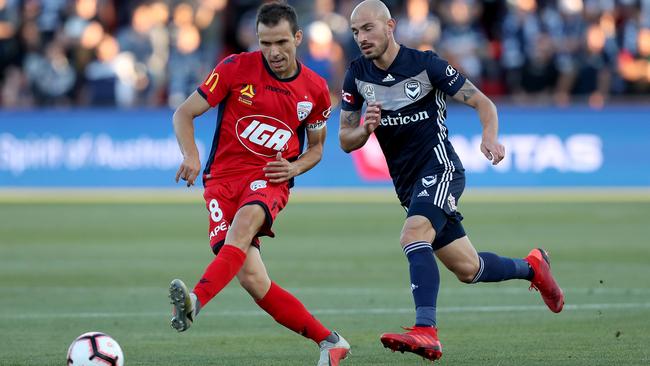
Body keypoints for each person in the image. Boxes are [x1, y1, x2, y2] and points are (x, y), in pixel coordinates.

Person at [338, 0, 564, 361]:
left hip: (441, 168)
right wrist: (365, 129)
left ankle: (426, 330)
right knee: (468, 268)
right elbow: (345, 140)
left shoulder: (426, 65)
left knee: (412, 235)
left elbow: (484, 103)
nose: (361, 38)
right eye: (355, 32)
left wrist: (489, 136)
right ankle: (532, 267)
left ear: (390, 26)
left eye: (368, 28)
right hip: (408, 184)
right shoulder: (357, 74)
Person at [169, 3, 350, 366]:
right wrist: (190, 155)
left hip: (269, 177)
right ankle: (331, 342)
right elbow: (184, 113)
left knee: (243, 227)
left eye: (281, 41)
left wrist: (293, 168)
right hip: (221, 181)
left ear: (298, 38)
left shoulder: (314, 90)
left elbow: (316, 150)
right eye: (265, 43)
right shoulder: (235, 69)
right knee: (254, 281)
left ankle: (196, 301)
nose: (274, 51)